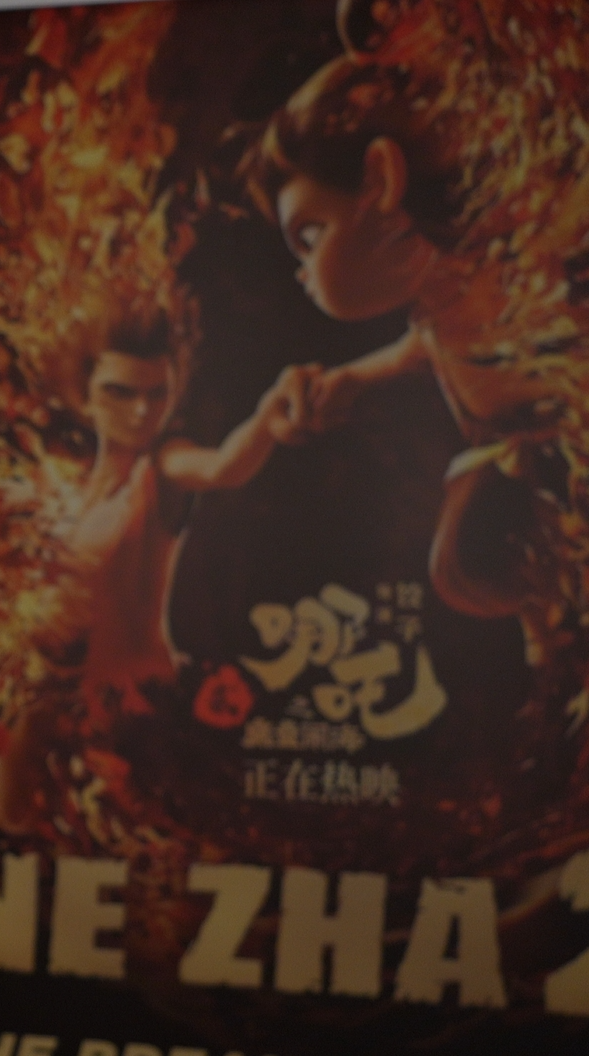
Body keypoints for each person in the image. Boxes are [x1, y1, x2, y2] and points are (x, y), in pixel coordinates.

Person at [245, 48, 573, 648]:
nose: (302, 274)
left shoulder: (511, 283)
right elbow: (417, 350)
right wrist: (352, 380)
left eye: (309, 236)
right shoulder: (443, 304)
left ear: (380, 181)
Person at [0, 308, 304, 832]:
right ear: (85, 396)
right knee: (14, 822)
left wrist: (270, 413)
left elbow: (224, 466)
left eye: (157, 394)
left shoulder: (162, 466)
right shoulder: (67, 492)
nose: (141, 411)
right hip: (59, 701)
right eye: (120, 393)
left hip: (135, 710)